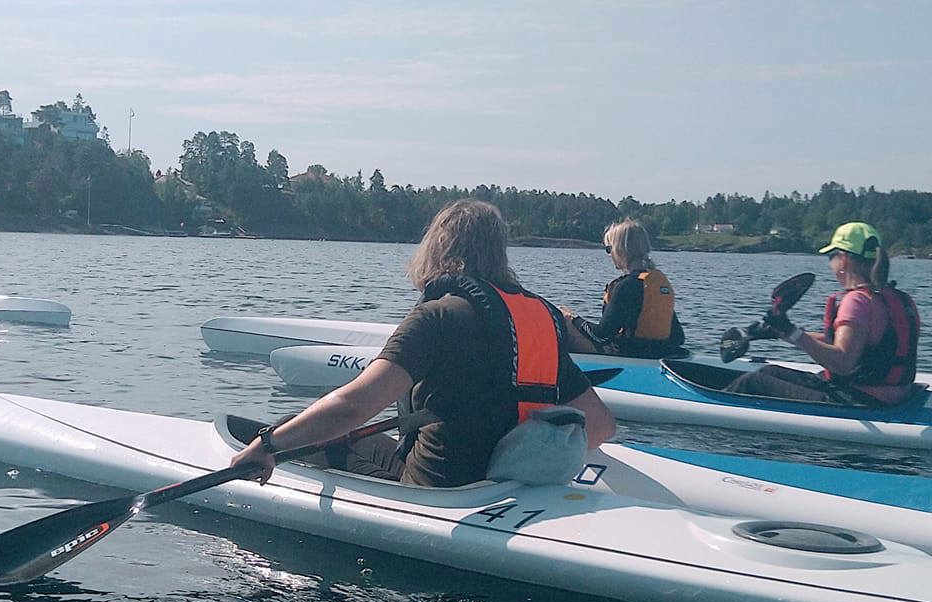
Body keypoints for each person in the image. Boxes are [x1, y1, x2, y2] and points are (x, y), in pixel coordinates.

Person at [230, 199, 616, 488]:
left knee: (310, 436)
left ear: (439, 246)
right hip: (507, 483)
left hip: (437, 489)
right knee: (343, 435)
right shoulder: (540, 320)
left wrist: (268, 444)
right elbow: (600, 425)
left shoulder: (438, 317)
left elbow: (353, 406)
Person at [724, 221, 920, 406]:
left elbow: (843, 363)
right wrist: (779, 332)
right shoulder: (900, 299)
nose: (831, 264)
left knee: (752, 382)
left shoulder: (856, 301)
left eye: (831, 256)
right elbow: (849, 344)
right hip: (898, 398)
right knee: (770, 371)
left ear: (843, 259)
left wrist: (792, 331)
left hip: (860, 401)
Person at [565, 218, 686, 357]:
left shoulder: (627, 286)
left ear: (620, 250)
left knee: (562, 318)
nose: (609, 255)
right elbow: (678, 338)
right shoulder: (658, 284)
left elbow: (600, 336)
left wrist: (573, 319)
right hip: (659, 354)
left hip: (630, 355)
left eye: (609, 249)